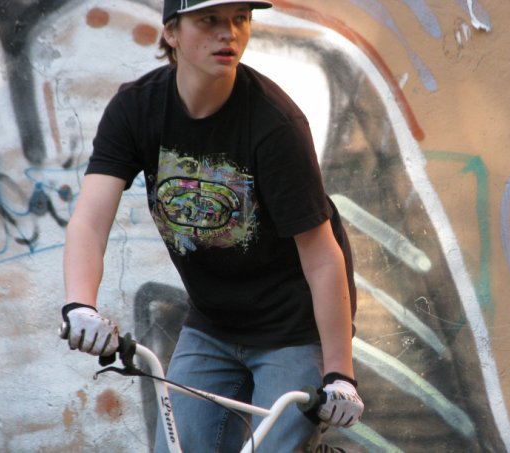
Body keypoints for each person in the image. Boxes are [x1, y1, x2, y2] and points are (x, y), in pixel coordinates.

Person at [61, 0, 364, 451]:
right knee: (178, 447)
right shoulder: (137, 109)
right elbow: (89, 221)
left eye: (240, 19)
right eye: (210, 20)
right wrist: (80, 306)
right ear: (171, 32)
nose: (229, 33)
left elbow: (322, 256)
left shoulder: (274, 123)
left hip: (294, 330)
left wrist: (340, 374)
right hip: (213, 325)